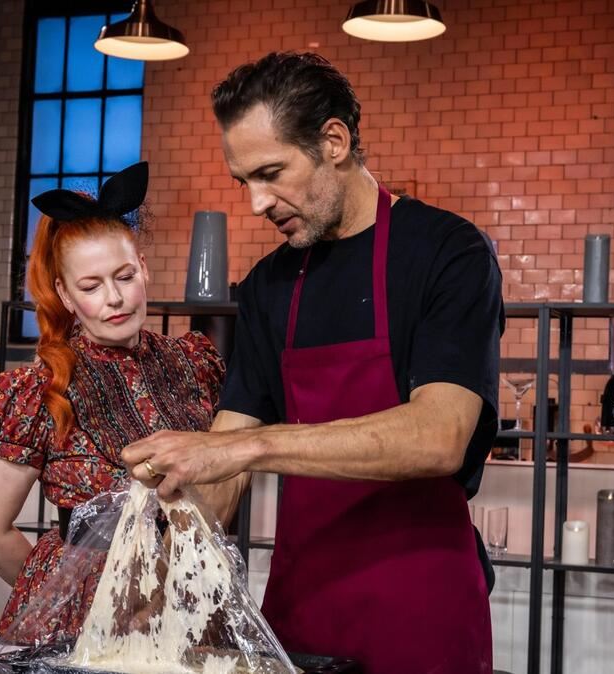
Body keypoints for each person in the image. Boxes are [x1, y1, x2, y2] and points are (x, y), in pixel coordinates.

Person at [121, 53, 504, 673]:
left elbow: (439, 437)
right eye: (243, 180)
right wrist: (159, 574)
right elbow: (226, 456)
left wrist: (244, 451)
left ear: (334, 141)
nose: (255, 203)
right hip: (303, 605)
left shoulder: (446, 252)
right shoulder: (270, 285)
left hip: (421, 604)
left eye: (271, 173)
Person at [0, 161, 225, 641]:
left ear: (144, 269)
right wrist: (61, 591)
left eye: (125, 276)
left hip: (191, 595)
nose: (115, 298)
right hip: (88, 617)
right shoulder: (35, 392)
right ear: (65, 295)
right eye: (90, 286)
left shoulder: (195, 362)